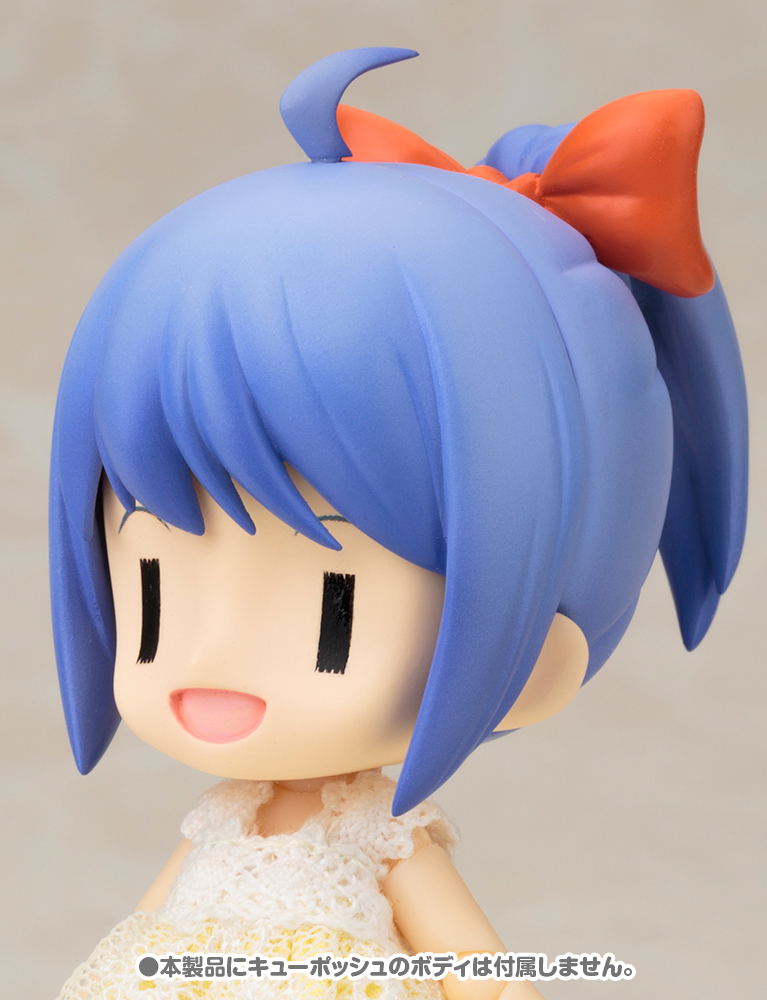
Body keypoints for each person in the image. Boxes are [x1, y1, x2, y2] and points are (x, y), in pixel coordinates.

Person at [50, 46, 747, 1000]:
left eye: (333, 614)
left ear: (541, 634)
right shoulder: (219, 823)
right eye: (154, 598)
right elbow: (146, 941)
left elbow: (482, 976)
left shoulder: (380, 837)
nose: (207, 658)